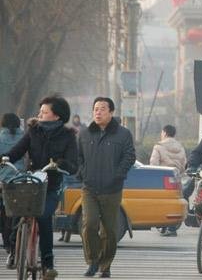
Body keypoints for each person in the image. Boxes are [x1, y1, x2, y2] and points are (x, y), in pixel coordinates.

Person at [3, 96, 78, 279]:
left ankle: (47, 263)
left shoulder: (68, 136)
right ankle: (13, 250)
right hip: (32, 181)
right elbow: (17, 151)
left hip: (52, 185)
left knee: (44, 216)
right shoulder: (33, 131)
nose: (40, 114)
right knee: (16, 209)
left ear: (57, 116)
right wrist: (5, 158)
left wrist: (60, 164)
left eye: (44, 112)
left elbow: (73, 164)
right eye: (40, 111)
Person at [78, 97, 136, 278]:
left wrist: (117, 175)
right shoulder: (85, 134)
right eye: (95, 108)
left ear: (111, 112)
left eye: (103, 109)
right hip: (89, 188)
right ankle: (93, 260)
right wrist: (82, 173)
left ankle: (106, 265)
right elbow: (77, 157)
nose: (98, 112)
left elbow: (129, 156)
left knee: (109, 230)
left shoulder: (123, 134)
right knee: (89, 224)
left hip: (112, 189)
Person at [149, 124, 186, 237]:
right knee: (173, 202)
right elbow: (185, 164)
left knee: (162, 202)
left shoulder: (158, 146)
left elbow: (153, 164)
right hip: (176, 178)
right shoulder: (180, 147)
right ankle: (171, 227)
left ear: (164, 133)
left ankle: (164, 226)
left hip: (162, 178)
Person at [0, 113, 25, 263]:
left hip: (2, 181)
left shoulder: (0, 138)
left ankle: (8, 246)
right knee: (16, 212)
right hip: (20, 179)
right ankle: (17, 242)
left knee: (4, 213)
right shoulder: (24, 137)